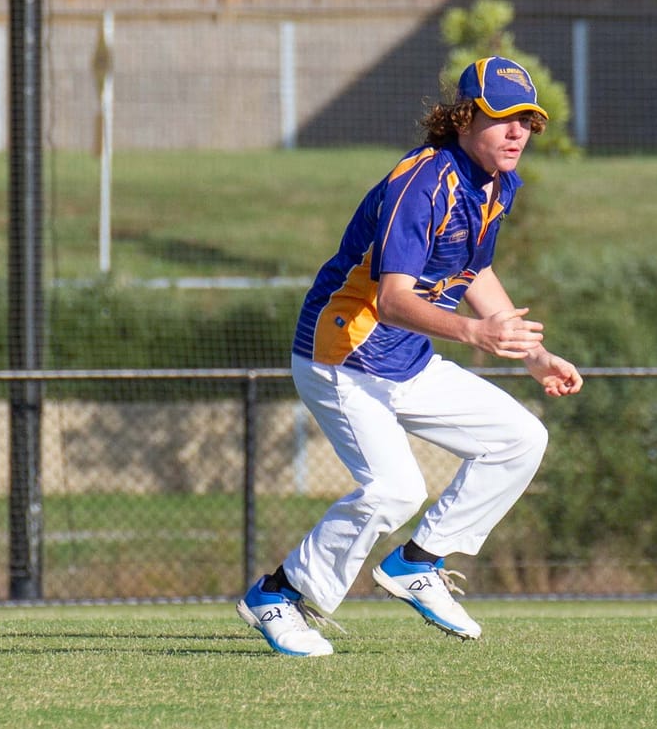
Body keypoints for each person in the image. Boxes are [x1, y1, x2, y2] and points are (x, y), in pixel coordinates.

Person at [238, 58, 584, 656]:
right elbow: (394, 301)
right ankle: (278, 595)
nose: (516, 133)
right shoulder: (421, 183)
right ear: (463, 118)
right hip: (340, 355)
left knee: (520, 438)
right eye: (502, 118)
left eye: (526, 120)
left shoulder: (496, 185)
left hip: (405, 361)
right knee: (396, 489)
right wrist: (478, 336)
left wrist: (533, 355)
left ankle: (417, 561)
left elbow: (472, 269)